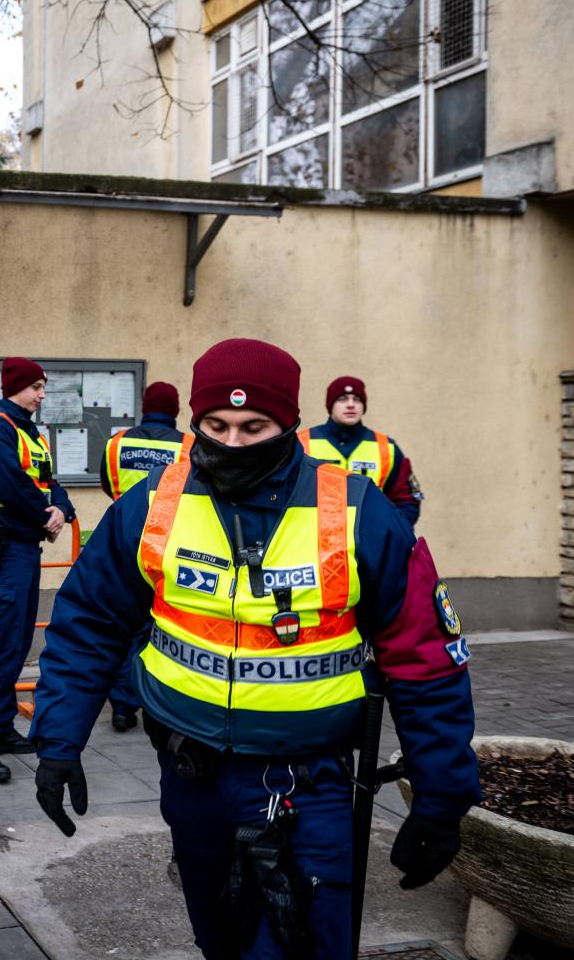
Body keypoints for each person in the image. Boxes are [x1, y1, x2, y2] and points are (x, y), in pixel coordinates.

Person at [30, 338, 479, 960]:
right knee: (221, 938)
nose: (233, 443)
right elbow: (89, 625)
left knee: (305, 944)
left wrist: (441, 796)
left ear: (290, 423)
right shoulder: (152, 505)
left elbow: (425, 663)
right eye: (215, 425)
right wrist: (58, 740)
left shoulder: (356, 511)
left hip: (309, 782)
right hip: (193, 777)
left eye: (253, 426)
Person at [0, 357, 75, 783]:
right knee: (5, 642)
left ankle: (0, 726)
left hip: (22, 547)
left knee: (19, 639)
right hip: (4, 548)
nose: (42, 395)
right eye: (36, 387)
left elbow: (50, 481)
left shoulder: (30, 433)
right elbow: (10, 486)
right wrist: (46, 516)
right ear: (15, 387)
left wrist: (61, 509)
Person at [98, 380, 192, 732]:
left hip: (123, 539)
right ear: (176, 410)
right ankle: (150, 699)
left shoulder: (117, 443)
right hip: (169, 544)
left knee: (121, 624)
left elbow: (108, 483)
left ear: (144, 406)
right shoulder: (189, 446)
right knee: (158, 627)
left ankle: (121, 705)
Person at [299, 376, 423, 525]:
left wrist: (388, 534)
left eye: (357, 399)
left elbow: (407, 500)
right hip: (312, 543)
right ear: (330, 405)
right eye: (342, 399)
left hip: (369, 544)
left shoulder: (386, 448)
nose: (351, 405)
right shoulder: (301, 442)